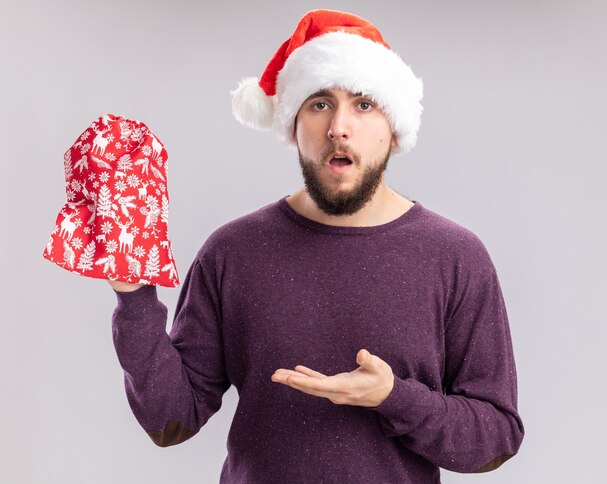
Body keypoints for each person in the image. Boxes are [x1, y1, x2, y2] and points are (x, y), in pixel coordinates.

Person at [109, 9, 524, 483]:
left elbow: (494, 440)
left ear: (394, 129)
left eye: (364, 104)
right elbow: (170, 420)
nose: (339, 127)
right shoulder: (232, 251)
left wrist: (393, 397)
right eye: (320, 103)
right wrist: (134, 292)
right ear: (294, 126)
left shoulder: (456, 257)